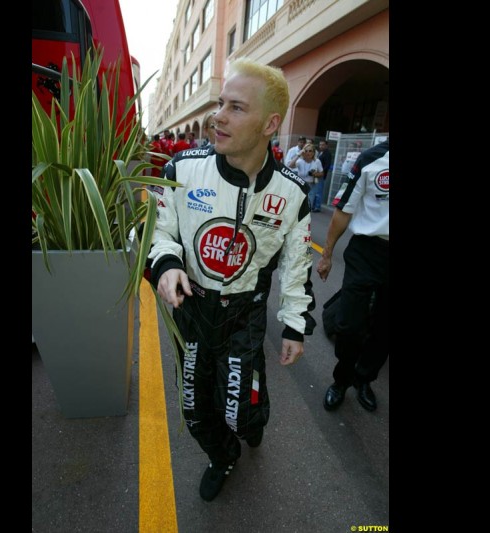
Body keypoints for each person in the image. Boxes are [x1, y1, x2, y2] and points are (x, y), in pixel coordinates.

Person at [146, 57, 316, 502]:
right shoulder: (181, 170)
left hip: (245, 315)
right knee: (195, 411)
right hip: (195, 311)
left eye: (236, 108)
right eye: (221, 103)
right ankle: (222, 457)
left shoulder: (293, 193)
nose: (217, 115)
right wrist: (166, 266)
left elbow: (297, 270)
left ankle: (250, 422)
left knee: (241, 414)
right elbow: (157, 231)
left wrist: (295, 325)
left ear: (269, 123)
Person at [316, 138, 389, 413]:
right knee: (348, 324)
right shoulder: (371, 159)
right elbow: (343, 209)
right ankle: (341, 380)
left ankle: (364, 378)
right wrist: (326, 254)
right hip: (367, 250)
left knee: (384, 328)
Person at [311, 140, 332, 212]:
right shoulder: (320, 153)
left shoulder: (327, 154)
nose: (321, 146)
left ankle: (317, 207)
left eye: (323, 145)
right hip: (316, 174)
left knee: (319, 191)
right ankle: (314, 206)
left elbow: (327, 165)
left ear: (326, 145)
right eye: (320, 145)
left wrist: (321, 172)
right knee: (315, 190)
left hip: (321, 175)